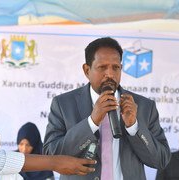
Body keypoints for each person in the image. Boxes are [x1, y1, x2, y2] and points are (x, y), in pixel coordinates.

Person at [43, 37, 171, 180]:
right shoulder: (63, 104)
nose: (110, 74)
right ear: (87, 70)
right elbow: (50, 155)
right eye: (102, 67)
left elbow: (161, 160)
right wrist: (91, 123)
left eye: (115, 67)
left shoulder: (144, 106)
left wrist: (134, 127)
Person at [0, 129, 96, 179]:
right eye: (21, 144)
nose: (24, 148)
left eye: (28, 144)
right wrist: (55, 162)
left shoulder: (12, 176)